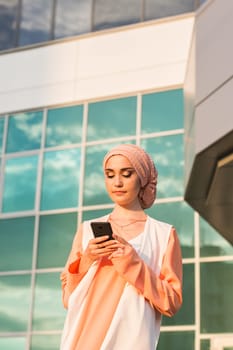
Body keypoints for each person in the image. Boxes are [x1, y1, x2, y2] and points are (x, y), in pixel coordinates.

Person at [60, 143, 183, 350]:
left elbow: (171, 303)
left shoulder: (164, 234)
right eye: (110, 175)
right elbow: (68, 299)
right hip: (82, 341)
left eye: (127, 174)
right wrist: (87, 260)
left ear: (142, 178)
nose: (117, 182)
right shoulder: (87, 230)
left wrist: (132, 262)